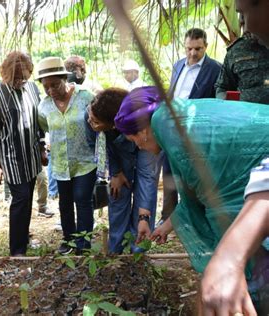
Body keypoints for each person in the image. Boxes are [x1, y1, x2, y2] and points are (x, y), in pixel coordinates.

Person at [113, 86, 269, 313]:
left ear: (143, 131)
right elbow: (193, 197)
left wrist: (229, 261)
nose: (138, 145)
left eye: (134, 138)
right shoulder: (174, 120)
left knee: (251, 273)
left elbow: (219, 206)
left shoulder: (170, 129)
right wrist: (165, 227)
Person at [201, 0, 269, 313]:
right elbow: (222, 91)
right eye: (238, 15)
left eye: (245, 12)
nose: (243, 23)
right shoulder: (239, 51)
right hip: (252, 161)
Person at [160, 28, 222, 224]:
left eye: (198, 48)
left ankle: (196, 218)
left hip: (197, 131)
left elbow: (217, 102)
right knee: (169, 170)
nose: (193, 53)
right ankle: (168, 217)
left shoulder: (216, 69)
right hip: (172, 127)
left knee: (193, 175)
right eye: (189, 48)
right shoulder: (178, 65)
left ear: (206, 46)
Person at [0, 51, 47, 256]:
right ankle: (17, 250)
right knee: (20, 199)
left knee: (28, 199)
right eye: (17, 77)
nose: (21, 80)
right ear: (6, 73)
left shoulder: (31, 88)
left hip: (31, 155)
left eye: (24, 76)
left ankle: (24, 239)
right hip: (12, 158)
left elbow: (38, 120)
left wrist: (41, 147)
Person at [86, 88, 157, 253]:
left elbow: (147, 176)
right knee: (118, 193)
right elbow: (94, 145)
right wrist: (116, 172)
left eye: (97, 122)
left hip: (144, 143)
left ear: (114, 124)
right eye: (91, 118)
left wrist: (143, 216)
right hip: (116, 155)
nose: (91, 121)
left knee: (145, 194)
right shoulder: (91, 115)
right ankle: (116, 251)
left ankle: (138, 251)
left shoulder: (142, 127)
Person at [37, 56, 96, 254]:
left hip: (85, 161)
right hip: (61, 163)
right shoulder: (43, 107)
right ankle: (69, 240)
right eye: (46, 87)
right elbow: (45, 129)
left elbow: (97, 125)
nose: (51, 90)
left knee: (83, 199)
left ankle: (84, 243)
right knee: (64, 203)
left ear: (65, 78)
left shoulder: (85, 97)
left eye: (55, 84)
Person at [215, 17, 269, 103]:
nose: (246, 29)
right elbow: (222, 88)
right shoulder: (236, 50)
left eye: (252, 21)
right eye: (243, 23)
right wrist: (227, 106)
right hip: (246, 114)